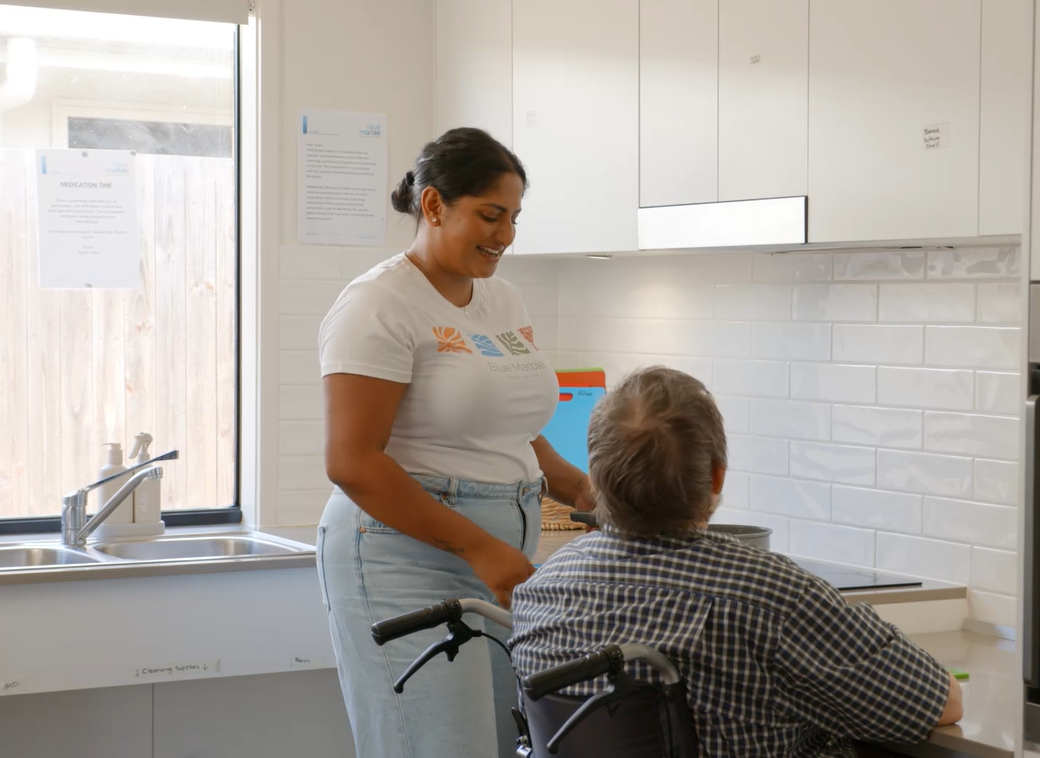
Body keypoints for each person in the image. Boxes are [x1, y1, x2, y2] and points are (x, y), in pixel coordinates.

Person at [510, 367, 963, 758]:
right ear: (716, 476)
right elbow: (939, 704)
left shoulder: (538, 594)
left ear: (596, 476)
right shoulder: (773, 598)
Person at [316, 127, 592, 758]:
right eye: (491, 216)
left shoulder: (503, 298)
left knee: (496, 745)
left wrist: (581, 487)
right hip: (404, 560)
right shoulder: (378, 304)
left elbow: (511, 429)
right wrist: (479, 547)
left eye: (514, 218)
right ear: (435, 205)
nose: (506, 235)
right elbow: (352, 461)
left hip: (499, 561)